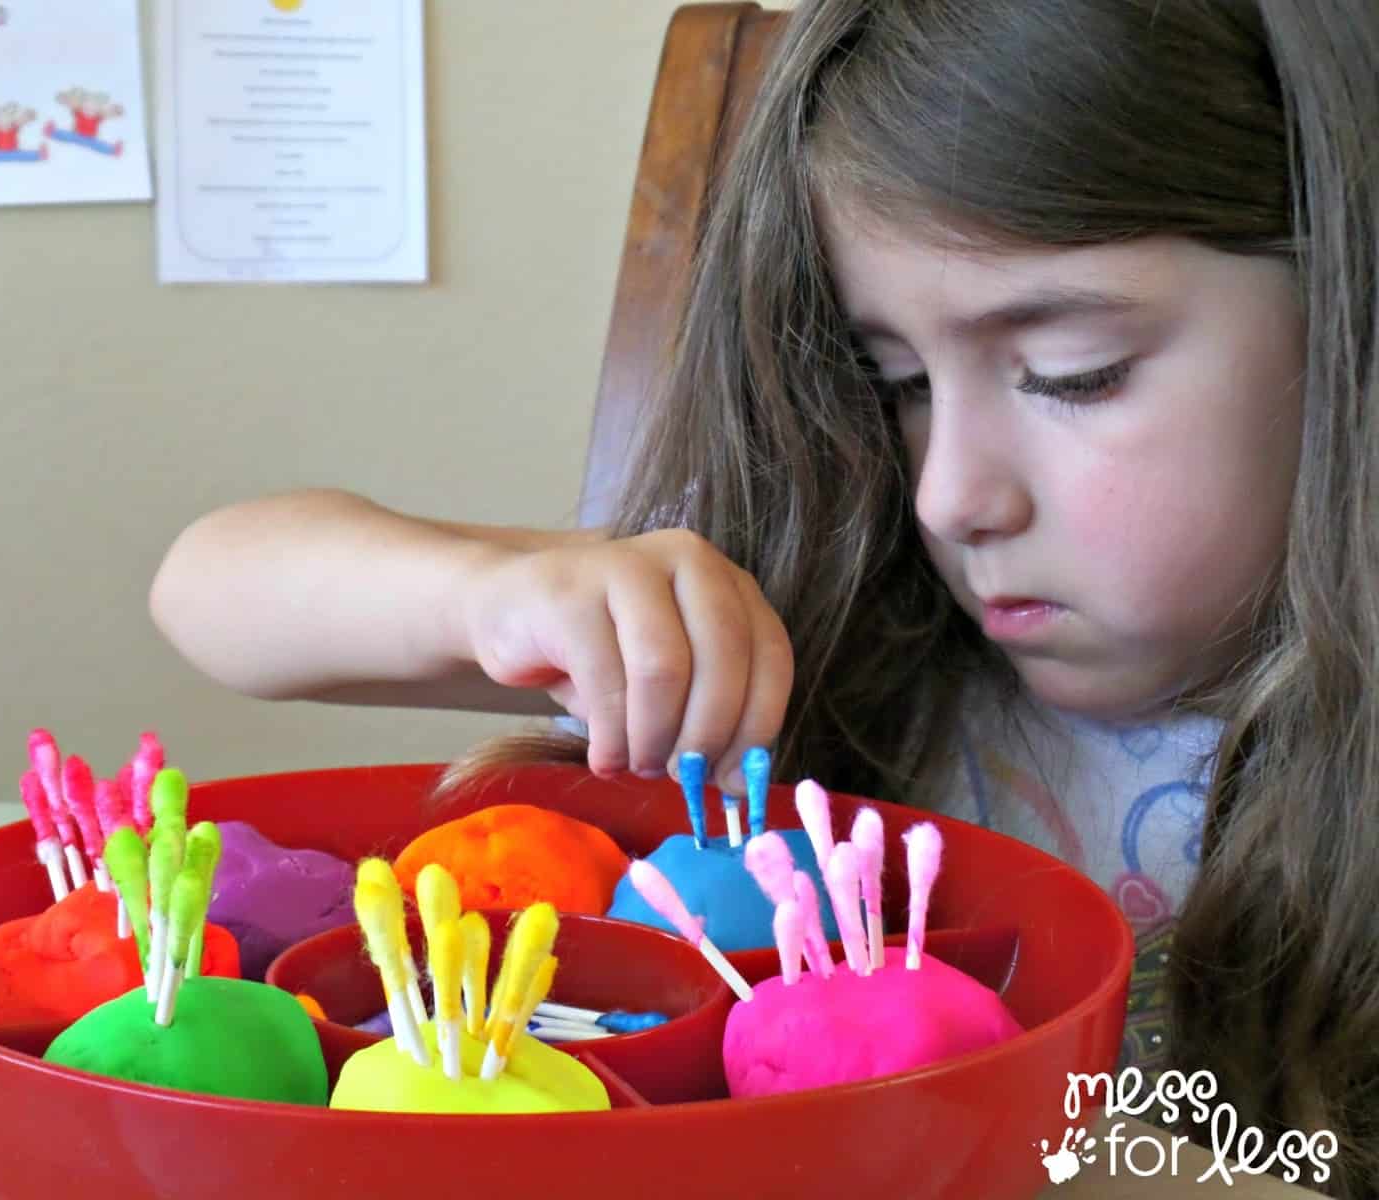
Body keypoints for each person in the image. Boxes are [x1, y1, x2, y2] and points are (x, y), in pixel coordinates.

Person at [149, 1, 1379, 1191]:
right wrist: (494, 594)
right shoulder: (838, 638)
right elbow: (212, 588)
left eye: (1072, 374)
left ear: (1345, 324)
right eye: (894, 382)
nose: (949, 496)